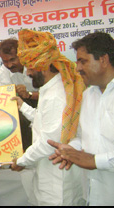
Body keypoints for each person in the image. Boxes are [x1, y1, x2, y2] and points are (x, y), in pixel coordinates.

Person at [47, 32, 114, 206]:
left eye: (83, 61)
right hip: (91, 195)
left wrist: (95, 161)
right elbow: (84, 137)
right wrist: (71, 149)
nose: (78, 67)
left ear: (103, 60)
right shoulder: (88, 95)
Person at [11, 30, 86, 206]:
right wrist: (23, 107)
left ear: (42, 65)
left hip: (57, 186)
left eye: (30, 67)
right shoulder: (51, 90)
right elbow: (44, 121)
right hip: (49, 176)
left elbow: (49, 140)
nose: (27, 73)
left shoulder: (56, 95)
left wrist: (22, 160)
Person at [0, 38, 38, 151]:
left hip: (40, 104)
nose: (9, 65)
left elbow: (47, 93)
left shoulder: (35, 66)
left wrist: (29, 94)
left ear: (21, 55)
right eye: (5, 61)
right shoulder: (4, 71)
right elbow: (8, 99)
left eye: (12, 59)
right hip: (20, 107)